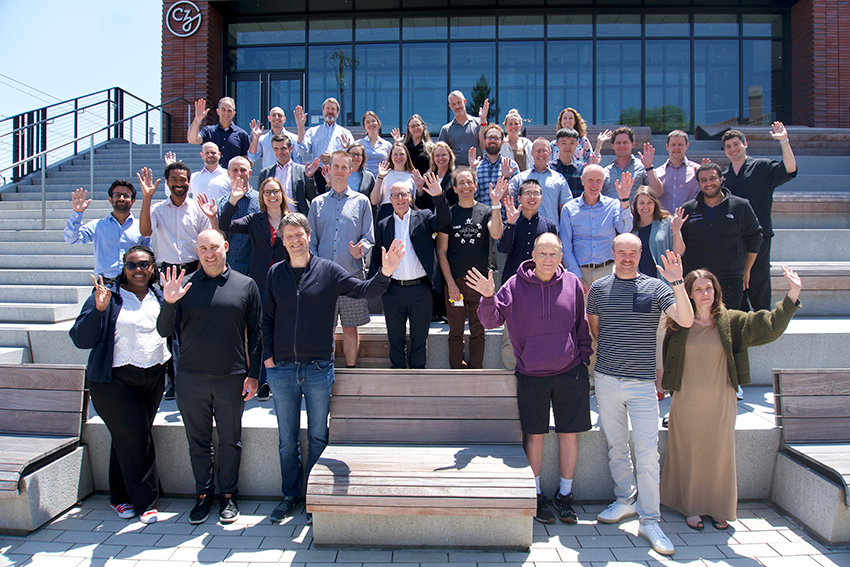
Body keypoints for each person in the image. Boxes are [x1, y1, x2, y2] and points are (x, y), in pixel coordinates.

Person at [262, 213, 405, 521]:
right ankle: (290, 495)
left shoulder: (328, 271)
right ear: (282, 240)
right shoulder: (275, 273)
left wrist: (387, 272)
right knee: (287, 440)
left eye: (299, 234)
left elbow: (366, 290)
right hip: (282, 369)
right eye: (288, 236)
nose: (294, 240)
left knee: (317, 437)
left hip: (317, 368)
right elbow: (268, 319)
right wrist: (268, 358)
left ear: (308, 235)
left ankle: (315, 496)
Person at [660, 266, 801, 531]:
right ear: (689, 293)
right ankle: (691, 507)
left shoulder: (732, 320)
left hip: (720, 398)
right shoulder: (679, 322)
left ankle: (718, 508)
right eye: (698, 289)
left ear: (716, 291)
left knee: (718, 453)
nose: (705, 293)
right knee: (688, 452)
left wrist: (792, 294)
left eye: (709, 288)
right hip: (686, 398)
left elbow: (768, 326)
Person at [470, 233, 592, 525]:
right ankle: (535, 494)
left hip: (569, 370)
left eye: (554, 254)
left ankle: (565, 496)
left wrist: (584, 357)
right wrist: (488, 296)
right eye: (543, 253)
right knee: (534, 436)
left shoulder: (573, 284)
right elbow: (490, 321)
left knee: (568, 435)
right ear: (533, 255)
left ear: (561, 256)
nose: (548, 259)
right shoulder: (514, 284)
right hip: (531, 374)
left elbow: (581, 324)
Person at [586, 233, 694, 556]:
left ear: (640, 253)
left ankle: (650, 519)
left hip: (643, 383)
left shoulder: (657, 287)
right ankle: (625, 499)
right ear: (613, 254)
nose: (628, 257)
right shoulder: (598, 288)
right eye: (622, 252)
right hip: (606, 379)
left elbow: (686, 319)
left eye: (633, 252)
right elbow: (595, 330)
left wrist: (677, 283)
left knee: (648, 453)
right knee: (616, 444)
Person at [156, 229, 262, 525]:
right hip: (191, 379)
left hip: (231, 377)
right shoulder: (184, 287)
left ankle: (228, 495)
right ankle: (203, 495)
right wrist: (169, 302)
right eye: (203, 248)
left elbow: (256, 334)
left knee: (230, 440)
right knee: (198, 441)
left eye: (214, 247)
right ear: (197, 251)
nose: (209, 253)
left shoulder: (246, 285)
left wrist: (253, 376)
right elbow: (165, 331)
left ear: (225, 247)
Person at [70, 245, 170, 525]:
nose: (138, 270)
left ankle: (119, 496)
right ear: (123, 268)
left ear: (153, 267)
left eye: (144, 265)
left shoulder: (158, 295)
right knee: (137, 436)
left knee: (127, 438)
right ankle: (146, 502)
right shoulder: (106, 296)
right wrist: (98, 311)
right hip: (113, 380)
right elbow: (81, 339)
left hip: (152, 375)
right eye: (132, 265)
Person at [371, 174, 450, 369]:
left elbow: (444, 220)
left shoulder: (423, 217)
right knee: (395, 339)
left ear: (410, 197)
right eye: (395, 195)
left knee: (419, 338)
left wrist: (439, 196)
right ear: (390, 200)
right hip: (393, 291)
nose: (400, 199)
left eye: (404, 194)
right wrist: (375, 285)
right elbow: (376, 257)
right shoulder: (383, 225)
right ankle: (397, 375)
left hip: (420, 290)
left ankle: (417, 376)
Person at [307, 151, 375, 368]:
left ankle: (351, 370)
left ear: (350, 170)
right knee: (323, 328)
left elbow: (368, 237)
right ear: (330, 169)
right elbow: (311, 242)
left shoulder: (361, 201)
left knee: (350, 328)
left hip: (351, 277)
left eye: (343, 167)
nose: (339, 170)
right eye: (335, 166)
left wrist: (360, 250)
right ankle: (324, 372)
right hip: (322, 279)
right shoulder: (317, 203)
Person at [722, 123, 798, 312]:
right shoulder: (724, 177)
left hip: (759, 238)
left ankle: (763, 323)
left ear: (745, 144)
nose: (732, 149)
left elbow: (790, 169)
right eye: (728, 146)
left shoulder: (762, 166)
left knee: (758, 281)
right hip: (732, 240)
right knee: (736, 285)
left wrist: (784, 141)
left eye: (735, 144)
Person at [436, 168, 506, 368]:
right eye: (461, 183)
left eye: (469, 182)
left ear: (475, 185)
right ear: (455, 188)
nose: (466, 186)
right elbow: (442, 251)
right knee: (455, 331)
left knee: (479, 330)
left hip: (480, 284)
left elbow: (496, 233)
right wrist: (450, 283)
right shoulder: (449, 214)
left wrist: (496, 204)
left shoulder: (485, 211)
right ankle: (457, 370)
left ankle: (476, 370)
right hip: (456, 282)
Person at [680, 163, 763, 310]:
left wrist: (746, 270)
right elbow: (682, 244)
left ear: (721, 179)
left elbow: (755, 238)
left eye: (712, 178)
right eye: (703, 180)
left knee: (729, 324)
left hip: (730, 277)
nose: (708, 183)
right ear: (698, 183)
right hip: (698, 279)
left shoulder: (740, 206)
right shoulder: (688, 209)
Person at [497, 180, 559, 370]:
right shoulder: (511, 221)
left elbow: (556, 258)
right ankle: (510, 377)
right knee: (510, 336)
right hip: (515, 288)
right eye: (527, 193)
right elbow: (503, 248)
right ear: (519, 198)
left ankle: (537, 374)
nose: (532, 197)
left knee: (541, 334)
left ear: (541, 198)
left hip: (542, 287)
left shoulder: (549, 225)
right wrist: (511, 223)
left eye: (536, 193)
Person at [560, 164, 633, 294]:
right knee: (582, 314)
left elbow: (625, 229)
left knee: (607, 314)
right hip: (580, 273)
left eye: (599, 180)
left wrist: (624, 200)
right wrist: (577, 276)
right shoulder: (569, 209)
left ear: (603, 182)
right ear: (582, 180)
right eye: (590, 180)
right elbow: (566, 245)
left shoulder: (614, 204)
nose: (594, 184)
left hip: (607, 271)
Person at [64, 180, 149, 282]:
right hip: (106, 284)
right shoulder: (97, 225)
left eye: (126, 195)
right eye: (117, 195)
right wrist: (77, 213)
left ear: (133, 201)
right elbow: (72, 239)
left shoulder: (142, 227)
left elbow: (148, 257)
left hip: (134, 283)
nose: (121, 198)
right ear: (110, 199)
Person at [138, 162, 213, 275]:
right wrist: (147, 197)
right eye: (174, 179)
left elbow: (205, 242)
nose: (179, 183)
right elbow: (145, 232)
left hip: (194, 270)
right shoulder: (157, 209)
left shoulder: (199, 209)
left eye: (183, 179)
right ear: (167, 182)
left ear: (189, 182)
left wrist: (199, 272)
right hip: (167, 272)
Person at [295, 98, 353, 194]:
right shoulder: (313, 131)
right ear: (323, 111)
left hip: (338, 174)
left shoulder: (345, 133)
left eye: (333, 109)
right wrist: (300, 127)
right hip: (318, 174)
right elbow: (302, 151)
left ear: (338, 113)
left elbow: (352, 156)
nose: (330, 111)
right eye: (327, 108)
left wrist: (333, 158)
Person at [508, 138, 572, 225]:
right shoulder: (520, 178)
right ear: (532, 153)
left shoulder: (559, 179)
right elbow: (508, 201)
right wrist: (506, 177)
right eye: (538, 151)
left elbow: (565, 209)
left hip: (550, 232)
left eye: (544, 150)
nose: (541, 154)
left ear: (550, 153)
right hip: (524, 231)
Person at [631, 186, 685, 283]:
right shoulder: (630, 227)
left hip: (664, 281)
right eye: (641, 203)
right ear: (636, 205)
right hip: (639, 284)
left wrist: (676, 231)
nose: (645, 207)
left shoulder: (667, 222)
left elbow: (678, 253)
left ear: (655, 204)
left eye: (649, 202)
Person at [258, 135, 321, 216]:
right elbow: (261, 199)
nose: (279, 152)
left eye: (283, 148)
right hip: (273, 218)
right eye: (276, 149)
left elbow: (312, 197)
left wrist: (309, 178)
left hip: (296, 217)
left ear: (290, 149)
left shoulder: (302, 170)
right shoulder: (265, 173)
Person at [646, 130, 700, 213]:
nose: (676, 148)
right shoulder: (656, 173)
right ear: (667, 146)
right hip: (664, 221)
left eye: (680, 144)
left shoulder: (696, 170)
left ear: (687, 146)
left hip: (689, 220)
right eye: (673, 144)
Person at [187, 98, 250, 168]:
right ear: (217, 111)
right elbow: (192, 140)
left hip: (231, 177)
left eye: (229, 110)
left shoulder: (242, 135)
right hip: (212, 176)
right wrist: (198, 119)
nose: (226, 113)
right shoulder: (209, 131)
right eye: (223, 110)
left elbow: (248, 160)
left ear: (234, 113)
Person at [371, 142, 422, 225]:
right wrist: (380, 177)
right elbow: (374, 200)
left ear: (407, 156)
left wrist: (420, 188)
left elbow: (414, 203)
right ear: (391, 156)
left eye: (402, 154)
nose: (398, 157)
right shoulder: (384, 174)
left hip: (406, 214)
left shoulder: (412, 176)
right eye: (395, 154)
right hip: (386, 213)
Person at [439, 90, 488, 166]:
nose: (457, 106)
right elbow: (441, 154)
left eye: (459, 102)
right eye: (453, 104)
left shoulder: (478, 123)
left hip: (476, 169)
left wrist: (483, 119)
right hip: (455, 173)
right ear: (450, 106)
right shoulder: (446, 130)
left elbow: (484, 145)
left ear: (464, 101)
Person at [600, 127, 649, 201]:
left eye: (625, 142)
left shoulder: (643, 167)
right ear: (613, 145)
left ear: (632, 144)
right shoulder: (605, 172)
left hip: (633, 212)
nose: (622, 145)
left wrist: (649, 167)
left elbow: (657, 192)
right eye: (618, 143)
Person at [475, 124, 519, 206]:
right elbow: (472, 197)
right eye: (490, 137)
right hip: (483, 217)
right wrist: (472, 171)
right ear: (484, 141)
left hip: (504, 217)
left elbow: (516, 199)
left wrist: (506, 178)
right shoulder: (477, 167)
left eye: (496, 138)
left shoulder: (511, 166)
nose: (493, 140)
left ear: (502, 142)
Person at [549, 128, 586, 199]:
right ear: (557, 145)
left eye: (572, 143)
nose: (568, 147)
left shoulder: (582, 169)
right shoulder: (550, 169)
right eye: (564, 143)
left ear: (577, 144)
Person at [356, 111, 393, 178]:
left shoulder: (387, 145)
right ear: (364, 126)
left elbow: (393, 162)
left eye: (373, 121)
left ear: (378, 123)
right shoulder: (359, 144)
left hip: (383, 180)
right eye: (368, 122)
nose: (371, 124)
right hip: (365, 180)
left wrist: (397, 143)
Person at [422, 141, 456, 209]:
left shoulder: (455, 177)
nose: (440, 158)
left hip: (448, 218)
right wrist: (420, 189)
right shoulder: (428, 177)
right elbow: (421, 204)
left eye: (443, 155)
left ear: (449, 156)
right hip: (431, 218)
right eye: (437, 155)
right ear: (433, 158)